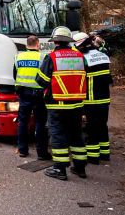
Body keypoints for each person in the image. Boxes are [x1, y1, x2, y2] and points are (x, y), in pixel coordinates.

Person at [36, 26, 88, 181]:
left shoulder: (51, 57)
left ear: (56, 41)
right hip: (77, 104)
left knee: (58, 135)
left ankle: (60, 169)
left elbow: (41, 81)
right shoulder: (80, 56)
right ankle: (79, 168)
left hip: (57, 104)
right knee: (76, 135)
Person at [75, 33, 113, 164]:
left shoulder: (84, 58)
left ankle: (93, 157)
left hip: (91, 99)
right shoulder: (102, 55)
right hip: (104, 99)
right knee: (103, 126)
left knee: (92, 128)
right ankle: (105, 154)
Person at [13, 35, 49, 160]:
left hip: (23, 94)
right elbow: (46, 77)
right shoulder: (43, 57)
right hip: (39, 95)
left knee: (23, 122)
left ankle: (22, 150)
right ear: (38, 44)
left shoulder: (18, 57)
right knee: (40, 122)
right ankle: (42, 153)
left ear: (26, 44)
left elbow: (15, 75)